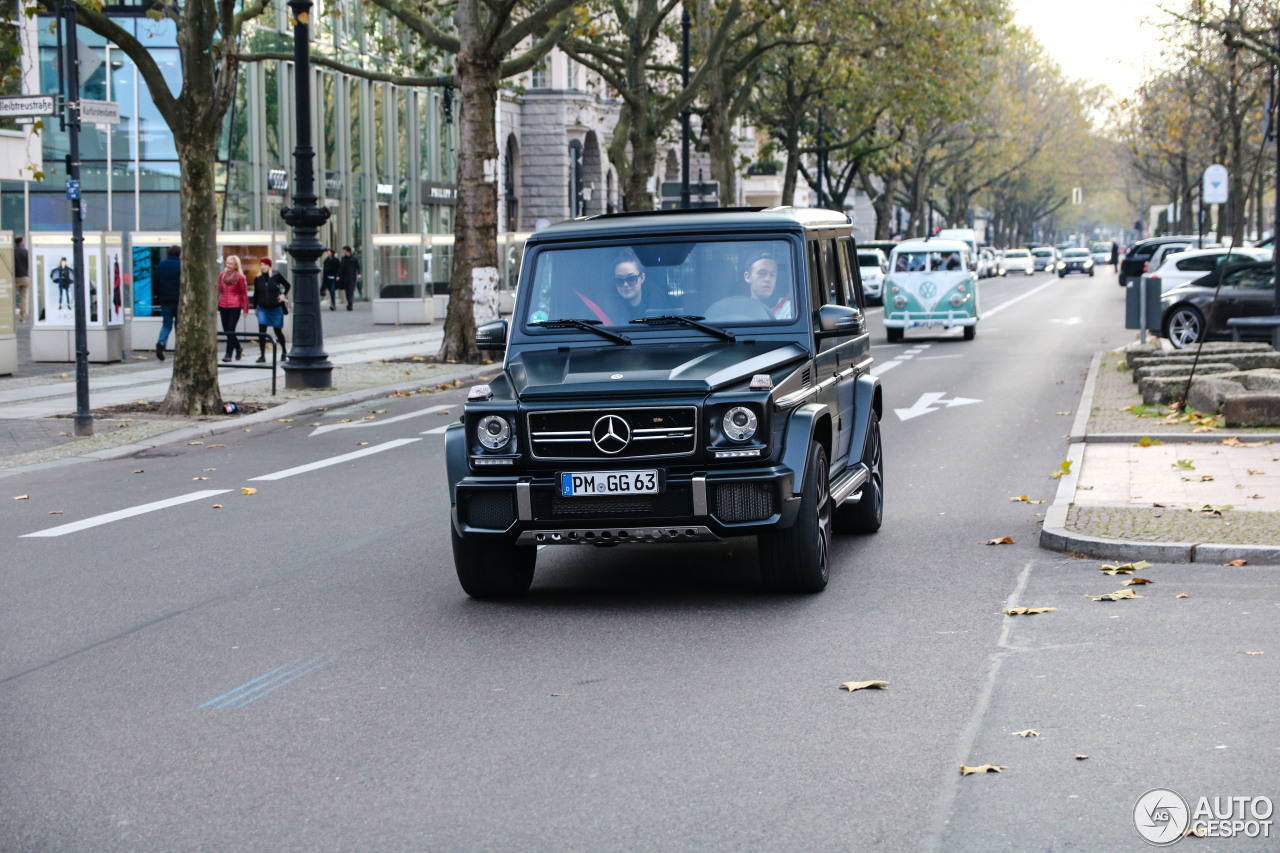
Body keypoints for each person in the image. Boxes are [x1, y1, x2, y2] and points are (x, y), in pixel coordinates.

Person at [251, 257, 290, 362]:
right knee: (262, 331)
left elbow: (287, 285)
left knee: (278, 331)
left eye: (265, 265)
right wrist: (255, 307)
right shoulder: (258, 278)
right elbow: (256, 294)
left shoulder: (276, 275)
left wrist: (283, 295)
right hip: (262, 308)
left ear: (269, 266)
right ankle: (262, 355)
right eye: (262, 265)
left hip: (276, 308)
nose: (263, 267)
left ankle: (284, 351)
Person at [217, 255, 249, 362]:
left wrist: (245, 309)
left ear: (236, 266)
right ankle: (238, 348)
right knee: (227, 331)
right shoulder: (222, 275)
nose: (228, 265)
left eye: (230, 264)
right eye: (227, 263)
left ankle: (228, 354)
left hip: (235, 306)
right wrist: (215, 302)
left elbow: (244, 294)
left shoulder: (240, 277)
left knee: (230, 330)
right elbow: (218, 290)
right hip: (223, 306)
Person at [152, 246, 181, 360]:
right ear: (179, 254)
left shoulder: (161, 265)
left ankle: (161, 343)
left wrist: (158, 296)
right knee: (179, 325)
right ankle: (179, 348)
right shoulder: (182, 265)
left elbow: (155, 282)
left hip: (165, 300)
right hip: (179, 300)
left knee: (166, 324)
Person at [745, 250, 792, 319]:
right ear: (748, 277)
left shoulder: (790, 310)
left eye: (773, 275)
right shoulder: (740, 309)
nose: (767, 279)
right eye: (762, 273)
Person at [338, 245, 361, 310]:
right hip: (345, 277)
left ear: (348, 251)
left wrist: (359, 273)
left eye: (344, 251)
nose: (343, 252)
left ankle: (350, 304)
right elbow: (340, 268)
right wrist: (338, 275)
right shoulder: (343, 259)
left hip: (352, 277)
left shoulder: (354, 259)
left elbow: (358, 267)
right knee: (347, 291)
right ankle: (349, 302)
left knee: (351, 291)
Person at [13, 236, 29, 325]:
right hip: (25, 277)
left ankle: (10, 316)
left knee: (12, 297)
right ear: (22, 241)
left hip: (15, 277)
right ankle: (22, 317)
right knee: (24, 298)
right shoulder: (25, 251)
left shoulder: (13, 251)